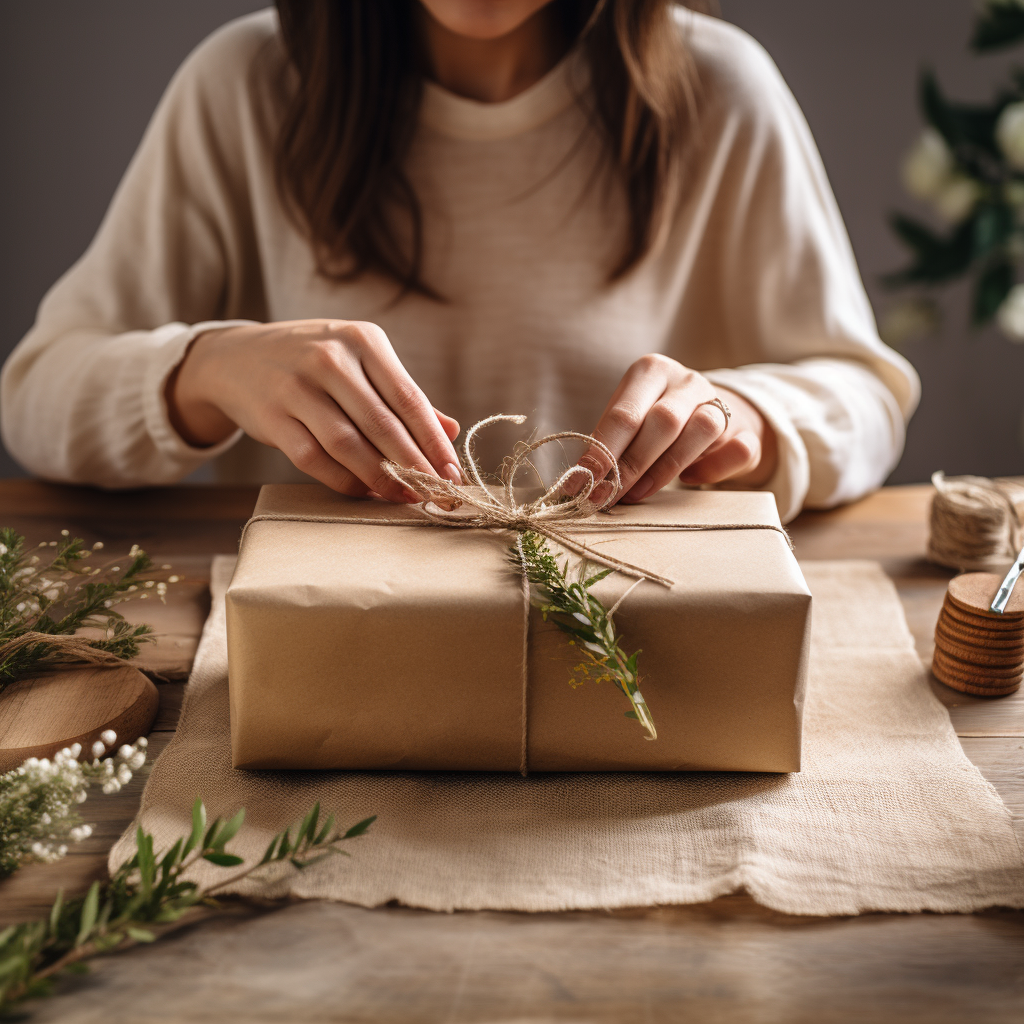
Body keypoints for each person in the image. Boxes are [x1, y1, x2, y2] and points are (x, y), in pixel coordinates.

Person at [0, 0, 919, 523]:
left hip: (633, 649)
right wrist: (205, 369)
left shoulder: (718, 90)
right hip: (329, 655)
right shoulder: (245, 85)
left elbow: (864, 396)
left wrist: (751, 417)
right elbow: (36, 399)